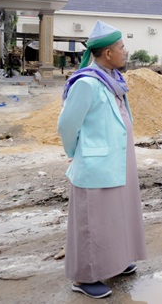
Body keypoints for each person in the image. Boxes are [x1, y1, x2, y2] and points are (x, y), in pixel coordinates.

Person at [58, 21, 146, 299]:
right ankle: (84, 277)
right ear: (108, 53)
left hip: (117, 161)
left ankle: (115, 262)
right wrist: (77, 154)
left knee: (114, 216)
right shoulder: (87, 83)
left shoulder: (112, 79)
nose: (125, 51)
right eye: (121, 47)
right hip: (95, 164)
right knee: (91, 221)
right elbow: (66, 126)